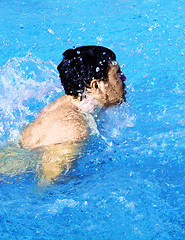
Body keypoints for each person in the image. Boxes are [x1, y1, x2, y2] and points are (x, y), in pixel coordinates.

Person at [19, 46, 126, 184]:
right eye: (117, 74)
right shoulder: (74, 129)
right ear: (96, 86)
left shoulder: (66, 102)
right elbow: (49, 182)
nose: (124, 78)